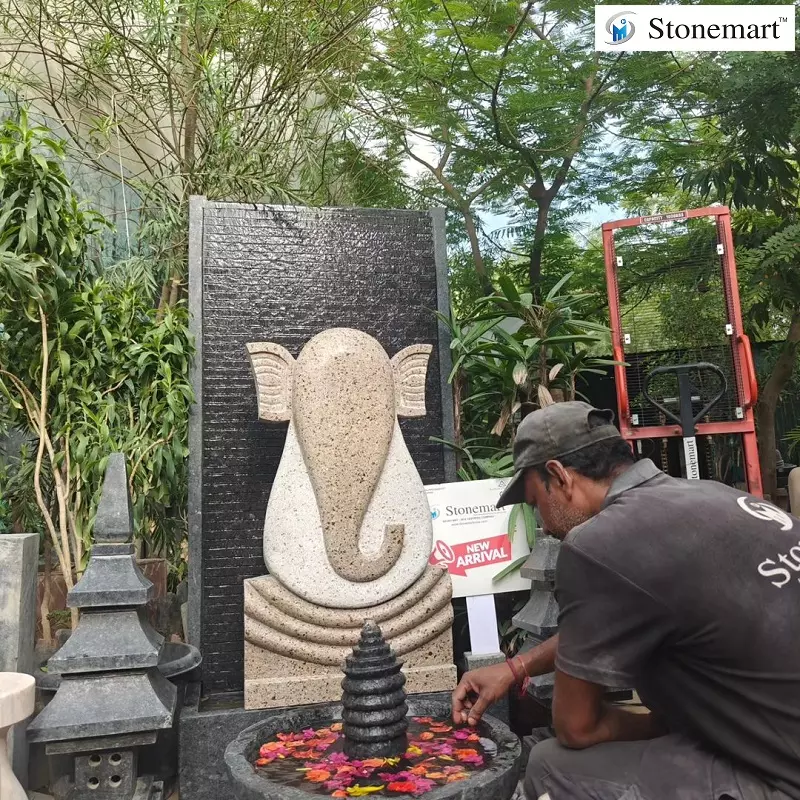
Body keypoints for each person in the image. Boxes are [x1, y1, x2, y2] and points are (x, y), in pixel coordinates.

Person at [451, 401, 800, 800]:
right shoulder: (715, 496)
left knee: (551, 765)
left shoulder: (596, 543)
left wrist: (662, 724)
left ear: (559, 476)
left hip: (781, 778)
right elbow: (611, 625)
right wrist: (517, 667)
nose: (544, 523)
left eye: (535, 503)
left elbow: (577, 728)